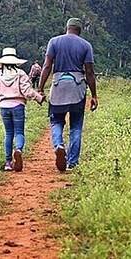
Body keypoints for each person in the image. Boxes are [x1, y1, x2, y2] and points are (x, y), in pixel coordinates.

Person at [38, 18, 98, 171]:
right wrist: (94, 95)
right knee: (76, 126)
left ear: (67, 28)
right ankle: (72, 163)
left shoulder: (54, 42)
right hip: (77, 88)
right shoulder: (86, 45)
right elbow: (90, 72)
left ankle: (58, 145)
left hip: (58, 86)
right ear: (80, 30)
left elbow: (47, 66)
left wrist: (40, 88)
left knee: (56, 121)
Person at [0, 48, 44, 172]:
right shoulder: (20, 74)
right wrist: (38, 98)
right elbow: (27, 91)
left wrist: (0, 100)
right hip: (18, 105)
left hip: (4, 107)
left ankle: (8, 162)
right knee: (19, 132)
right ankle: (18, 149)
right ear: (15, 61)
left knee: (8, 134)